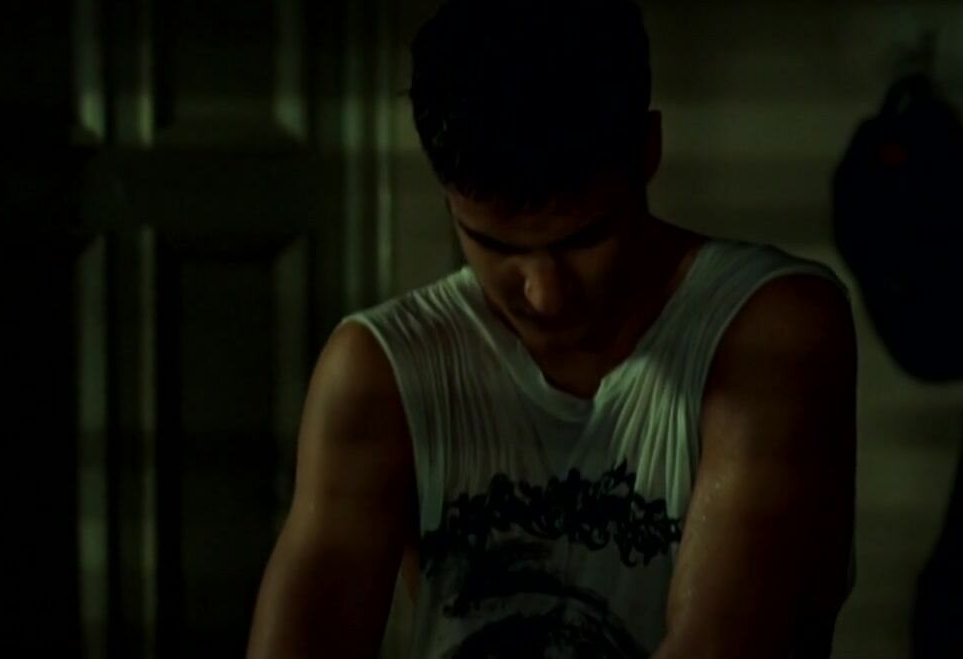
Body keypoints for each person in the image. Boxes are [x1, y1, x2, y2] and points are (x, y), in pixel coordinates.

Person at [247, 1, 857, 657]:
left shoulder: (766, 331)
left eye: (584, 240)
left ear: (648, 149)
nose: (544, 293)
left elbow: (724, 639)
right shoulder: (384, 371)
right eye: (495, 246)